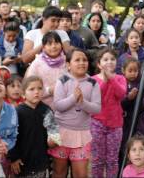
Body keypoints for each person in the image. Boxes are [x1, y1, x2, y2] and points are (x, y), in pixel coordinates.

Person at [51, 48, 101, 178]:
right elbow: (58, 106)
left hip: (82, 134)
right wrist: (73, 98)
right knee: (59, 171)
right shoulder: (62, 80)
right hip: (61, 132)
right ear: (68, 65)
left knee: (81, 174)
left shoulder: (93, 83)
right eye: (77, 60)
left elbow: (97, 108)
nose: (82, 63)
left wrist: (82, 103)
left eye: (84, 60)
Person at [7, 76, 60, 178]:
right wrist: (13, 158)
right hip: (22, 162)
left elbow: (54, 130)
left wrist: (54, 139)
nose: (36, 92)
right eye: (32, 89)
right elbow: (10, 136)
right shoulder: (17, 112)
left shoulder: (46, 110)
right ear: (23, 94)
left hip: (42, 160)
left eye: (40, 88)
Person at [91, 48, 127, 178]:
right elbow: (95, 97)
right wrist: (105, 80)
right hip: (97, 124)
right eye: (105, 59)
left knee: (112, 160)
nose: (109, 62)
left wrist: (111, 78)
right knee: (97, 160)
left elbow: (121, 94)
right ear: (99, 64)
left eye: (112, 59)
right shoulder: (92, 79)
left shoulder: (120, 78)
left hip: (115, 125)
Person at [24, 31, 68, 108]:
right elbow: (30, 88)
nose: (54, 46)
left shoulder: (67, 61)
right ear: (43, 47)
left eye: (56, 43)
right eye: (49, 44)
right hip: (43, 107)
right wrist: (49, 90)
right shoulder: (37, 63)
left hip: (66, 105)